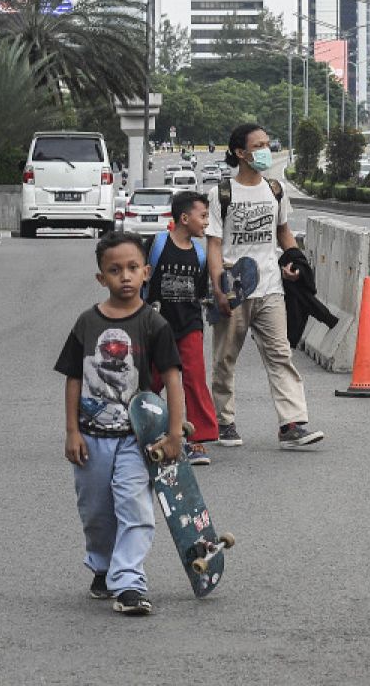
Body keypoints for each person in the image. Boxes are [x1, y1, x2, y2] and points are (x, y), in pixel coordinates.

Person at [54, 231, 185, 616]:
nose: (124, 276)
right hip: (91, 439)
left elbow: (173, 378)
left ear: (146, 272)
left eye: (132, 268)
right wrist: (71, 430)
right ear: (101, 278)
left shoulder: (154, 324)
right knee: (96, 512)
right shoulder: (86, 323)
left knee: (134, 506)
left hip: (135, 438)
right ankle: (103, 565)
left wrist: (176, 433)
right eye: (114, 270)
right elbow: (73, 378)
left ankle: (129, 582)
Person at [206, 123, 325, 450]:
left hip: (271, 287)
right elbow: (214, 244)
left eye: (268, 144)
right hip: (235, 288)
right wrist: (218, 287)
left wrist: (294, 261)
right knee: (224, 359)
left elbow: (284, 232)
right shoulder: (221, 194)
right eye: (258, 145)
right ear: (240, 153)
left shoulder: (275, 189)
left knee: (280, 355)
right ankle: (224, 421)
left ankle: (292, 423)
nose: (265, 150)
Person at [145, 191, 218, 465]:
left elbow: (200, 293)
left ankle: (198, 440)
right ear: (184, 218)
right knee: (151, 382)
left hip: (190, 326)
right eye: (203, 216)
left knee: (195, 380)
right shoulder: (157, 244)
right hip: (157, 327)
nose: (206, 222)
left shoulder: (200, 253)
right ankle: (146, 429)